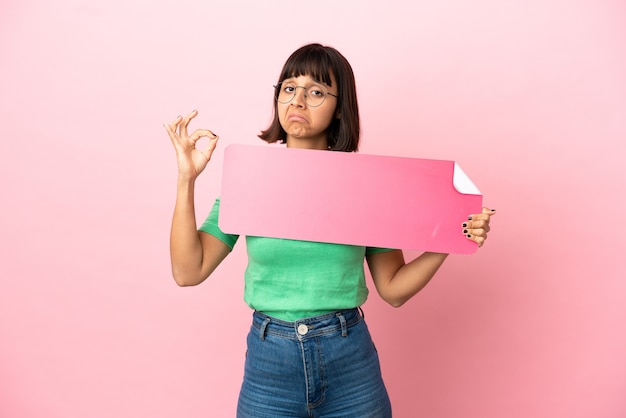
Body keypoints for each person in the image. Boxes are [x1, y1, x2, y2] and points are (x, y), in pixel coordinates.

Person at [164, 43, 495, 418]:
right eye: (289, 88)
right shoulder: (251, 180)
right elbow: (187, 271)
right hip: (269, 363)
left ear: (340, 107)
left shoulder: (364, 186)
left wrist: (450, 239)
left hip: (349, 360)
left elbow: (394, 289)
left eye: (316, 91)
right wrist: (186, 179)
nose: (298, 100)